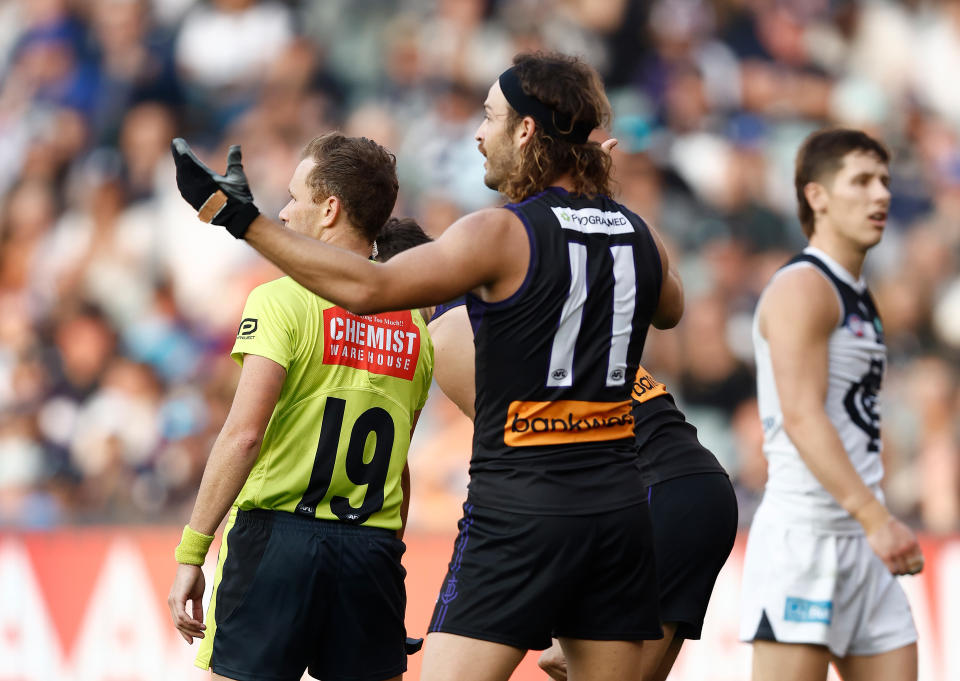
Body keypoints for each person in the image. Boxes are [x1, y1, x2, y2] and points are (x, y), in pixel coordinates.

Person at [170, 51, 684, 681]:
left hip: (520, 508)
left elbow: (364, 289)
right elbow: (671, 309)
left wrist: (239, 219)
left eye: (490, 116)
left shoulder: (498, 234)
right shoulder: (637, 234)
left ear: (526, 131)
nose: (477, 132)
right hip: (615, 508)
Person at [166, 132, 434, 681]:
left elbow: (244, 435)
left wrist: (193, 551)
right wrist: (386, 559)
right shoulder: (416, 328)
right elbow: (399, 469)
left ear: (330, 208)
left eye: (294, 197)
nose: (283, 212)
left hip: (277, 542)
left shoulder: (280, 299)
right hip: (373, 550)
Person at [422, 291, 737, 681]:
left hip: (651, 491)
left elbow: (526, 462)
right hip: (696, 485)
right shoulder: (547, 305)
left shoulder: (451, 326)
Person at [740, 128, 923, 681]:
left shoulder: (860, 294)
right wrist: (876, 517)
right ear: (816, 196)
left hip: (862, 541)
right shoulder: (803, 287)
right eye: (862, 181)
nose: (882, 195)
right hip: (807, 540)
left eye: (886, 182)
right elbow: (800, 414)